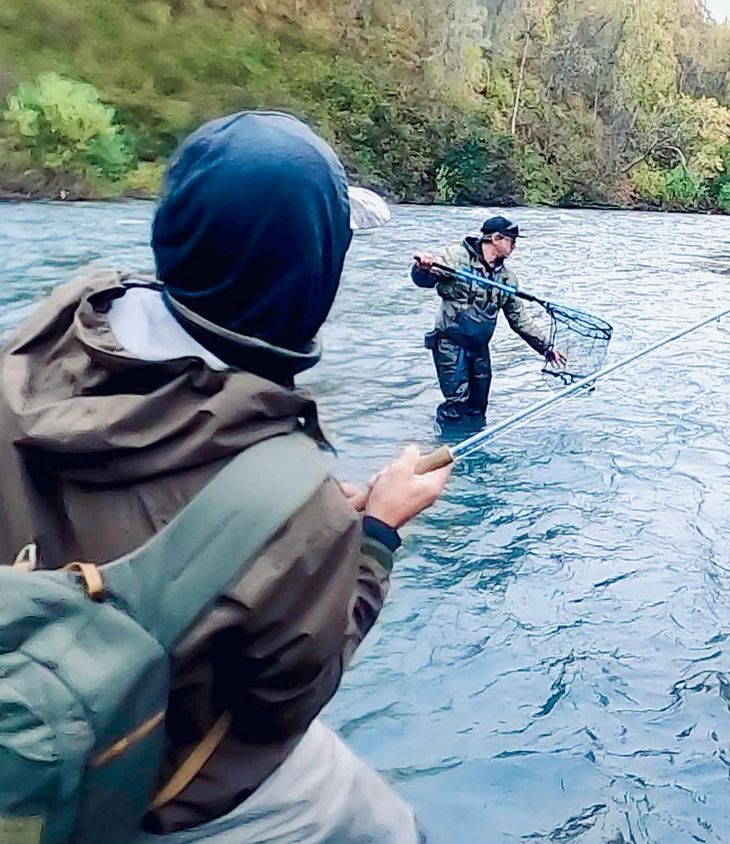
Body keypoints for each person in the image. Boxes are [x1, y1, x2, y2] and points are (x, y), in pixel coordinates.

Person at [0, 111, 450, 842]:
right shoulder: (294, 498)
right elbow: (290, 695)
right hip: (154, 781)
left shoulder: (27, 353)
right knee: (385, 827)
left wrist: (285, 535)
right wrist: (369, 536)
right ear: (313, 277)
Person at [411, 217, 564, 426]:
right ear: (495, 239)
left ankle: (472, 450)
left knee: (478, 406)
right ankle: (445, 449)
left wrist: (546, 347)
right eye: (511, 241)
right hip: (450, 344)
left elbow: (519, 319)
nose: (515, 246)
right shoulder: (456, 258)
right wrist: (422, 268)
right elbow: (424, 280)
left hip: (480, 349)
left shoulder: (507, 280)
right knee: (456, 404)